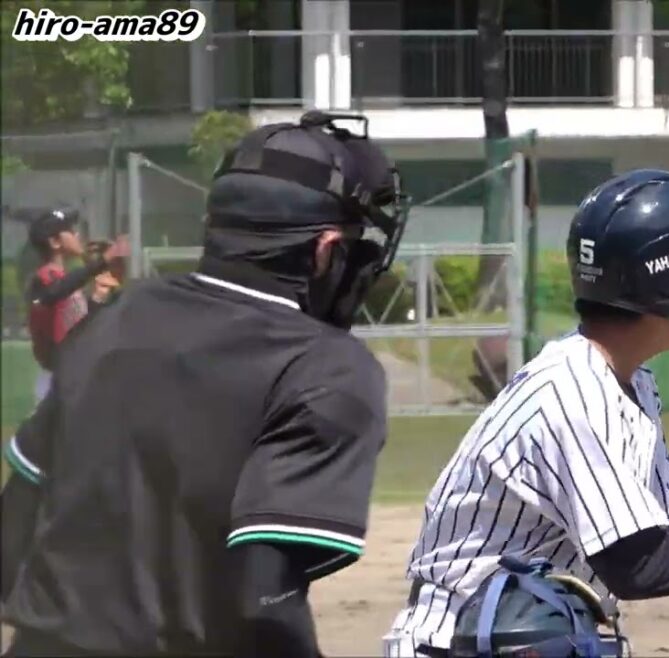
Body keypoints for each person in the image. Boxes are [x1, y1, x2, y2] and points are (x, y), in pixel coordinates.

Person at [382, 169, 669, 657]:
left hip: (519, 635)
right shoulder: (571, 394)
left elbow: (663, 539)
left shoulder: (628, 383)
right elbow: (637, 565)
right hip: (457, 642)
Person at [0, 110, 408, 657]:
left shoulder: (116, 317)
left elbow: (14, 527)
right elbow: (264, 598)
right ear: (324, 250)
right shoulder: (327, 367)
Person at [23, 208, 128, 402]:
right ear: (55, 242)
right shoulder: (45, 278)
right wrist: (101, 261)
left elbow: (80, 330)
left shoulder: (63, 280)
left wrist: (98, 297)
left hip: (74, 378)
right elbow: (54, 292)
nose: (77, 235)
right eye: (70, 231)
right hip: (57, 384)